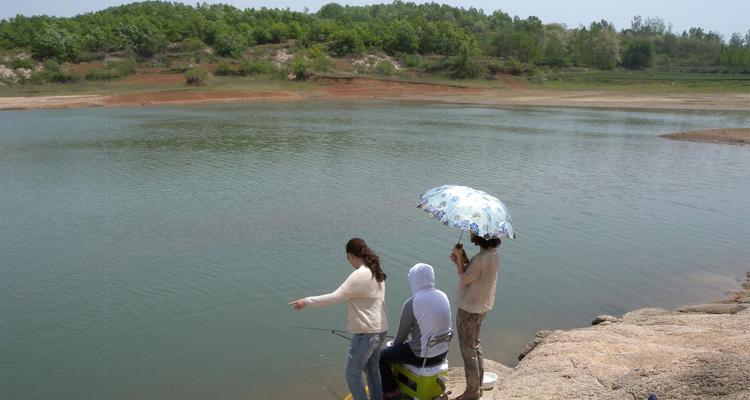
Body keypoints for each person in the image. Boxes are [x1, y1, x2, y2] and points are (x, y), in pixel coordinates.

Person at [289, 238, 388, 400]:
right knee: (372, 369)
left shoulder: (360, 275)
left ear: (350, 255)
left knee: (351, 374)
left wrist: (305, 301)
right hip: (381, 329)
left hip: (366, 333)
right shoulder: (376, 271)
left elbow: (334, 298)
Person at [379, 263, 452, 400]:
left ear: (414, 280)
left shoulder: (412, 302)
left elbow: (400, 338)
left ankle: (392, 391)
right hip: (441, 355)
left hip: (423, 357)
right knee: (407, 346)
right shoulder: (443, 296)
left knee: (381, 356)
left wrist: (392, 346)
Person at [450, 233, 501, 400]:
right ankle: (477, 387)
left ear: (479, 238)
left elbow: (464, 279)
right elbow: (476, 275)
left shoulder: (481, 259)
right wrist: (463, 259)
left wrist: (458, 260)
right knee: (475, 345)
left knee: (467, 350)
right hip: (481, 308)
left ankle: (472, 392)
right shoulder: (494, 256)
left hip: (469, 309)